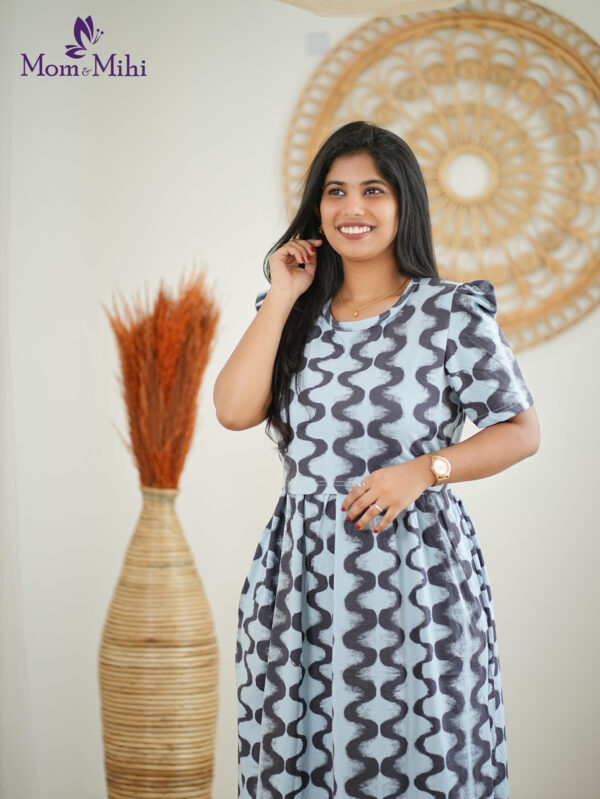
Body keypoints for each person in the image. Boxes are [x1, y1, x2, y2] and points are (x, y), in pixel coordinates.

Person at [213, 120, 540, 799]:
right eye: (335, 191)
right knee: (297, 754)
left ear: (403, 203)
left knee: (422, 755)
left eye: (373, 190)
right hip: (302, 575)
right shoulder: (291, 312)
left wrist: (423, 471)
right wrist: (283, 292)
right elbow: (234, 410)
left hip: (415, 572)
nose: (352, 208)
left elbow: (520, 430)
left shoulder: (451, 313)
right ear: (317, 208)